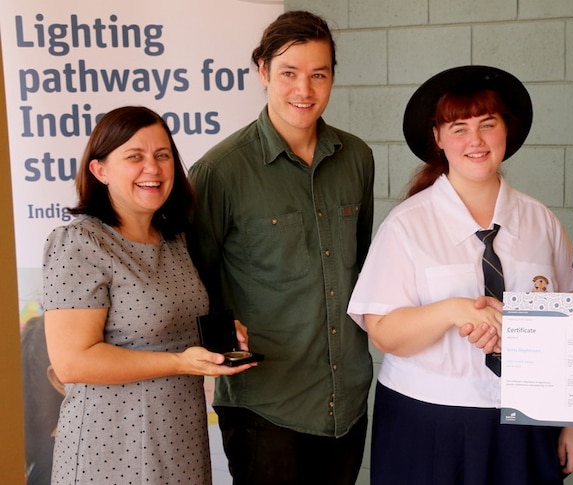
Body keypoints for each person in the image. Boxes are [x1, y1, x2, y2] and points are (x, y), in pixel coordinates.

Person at [347, 65, 573, 485]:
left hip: (528, 422)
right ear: (438, 138)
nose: (474, 141)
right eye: (458, 128)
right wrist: (455, 311)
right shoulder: (407, 225)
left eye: (487, 124)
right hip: (427, 421)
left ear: (506, 132)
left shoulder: (541, 222)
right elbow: (383, 331)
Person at [186, 10, 375, 485]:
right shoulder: (220, 171)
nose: (304, 90)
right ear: (263, 71)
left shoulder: (357, 158)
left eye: (318, 74)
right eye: (289, 73)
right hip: (265, 408)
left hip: (346, 398)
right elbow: (194, 284)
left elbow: (364, 268)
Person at [41, 105, 255, 485]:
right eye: (134, 157)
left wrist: (221, 336)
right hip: (111, 448)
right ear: (100, 169)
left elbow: (165, 326)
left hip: (179, 440)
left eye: (162, 156)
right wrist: (179, 362)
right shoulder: (79, 243)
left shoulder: (174, 238)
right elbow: (73, 361)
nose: (153, 169)